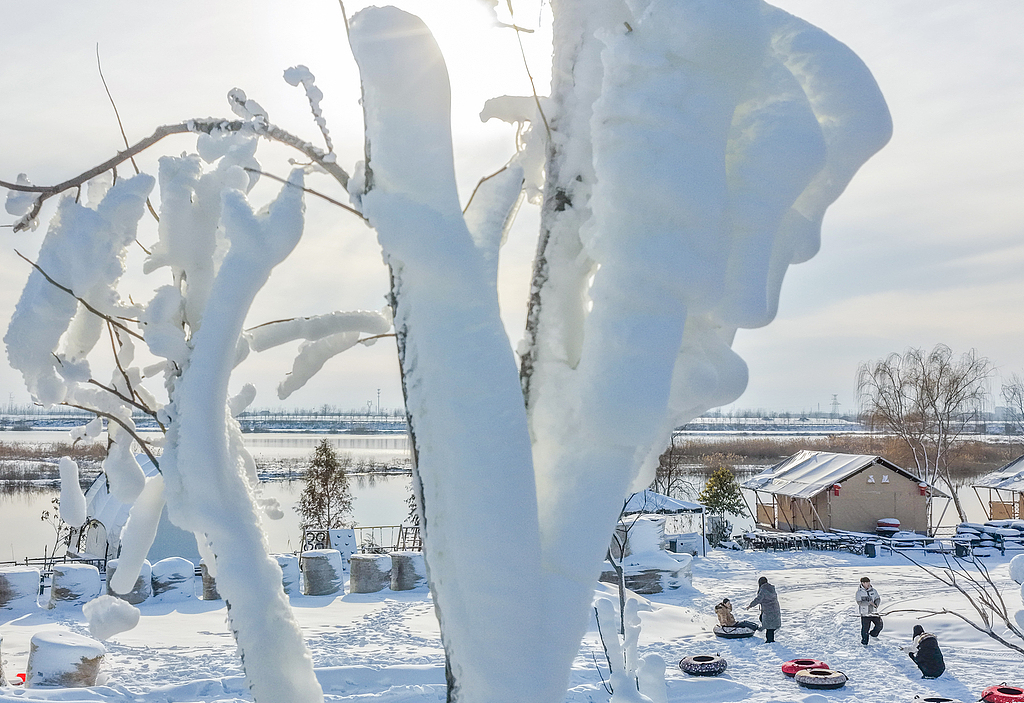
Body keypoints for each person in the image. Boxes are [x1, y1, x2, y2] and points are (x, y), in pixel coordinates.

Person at [747, 576, 781, 642]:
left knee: (769, 627)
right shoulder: (771, 588)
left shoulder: (763, 590)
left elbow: (758, 599)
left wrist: (750, 605)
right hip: (775, 609)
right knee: (769, 624)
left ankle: (770, 640)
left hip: (768, 611)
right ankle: (765, 630)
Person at [856, 576, 883, 645]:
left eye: (868, 582)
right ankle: (864, 643)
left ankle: (873, 635)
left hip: (874, 612)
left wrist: (876, 604)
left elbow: (877, 598)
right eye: (866, 583)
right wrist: (868, 603)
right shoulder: (859, 592)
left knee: (879, 625)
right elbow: (859, 602)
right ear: (862, 583)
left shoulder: (873, 591)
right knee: (865, 629)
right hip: (865, 613)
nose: (868, 584)